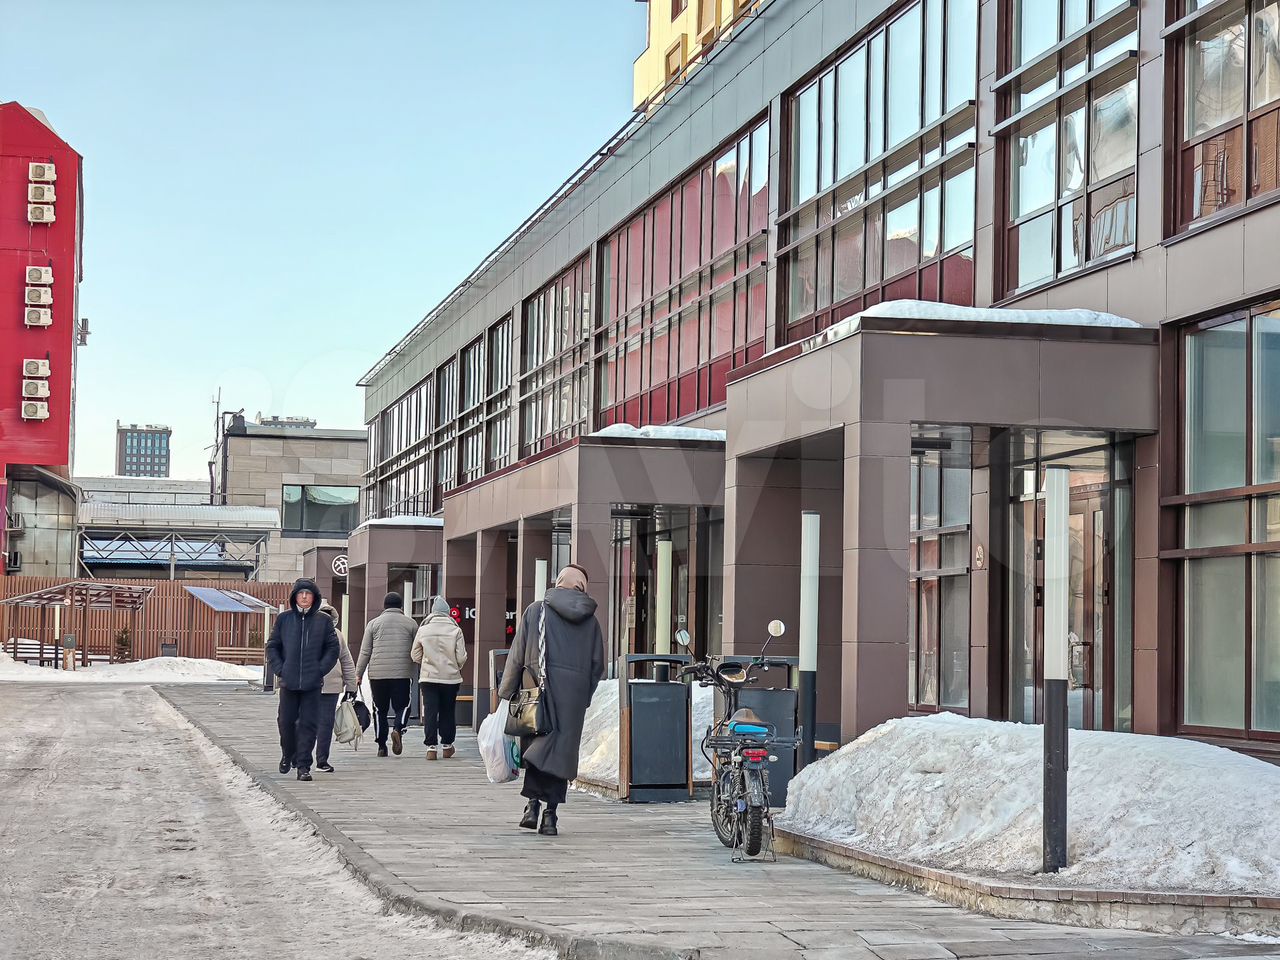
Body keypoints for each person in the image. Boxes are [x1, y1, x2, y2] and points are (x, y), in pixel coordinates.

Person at [497, 563, 604, 837]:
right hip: (572, 701)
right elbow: (597, 666)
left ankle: (532, 806)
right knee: (560, 755)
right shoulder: (591, 622)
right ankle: (550, 816)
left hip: (537, 693)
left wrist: (506, 692)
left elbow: (517, 654)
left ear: (559, 582)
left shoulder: (536, 611)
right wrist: (583, 697)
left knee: (537, 748)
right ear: (582, 587)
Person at [266, 578, 340, 782]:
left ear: (314, 598)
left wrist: (319, 669)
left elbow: (332, 649)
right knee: (286, 722)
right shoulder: (284, 619)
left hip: (312, 684)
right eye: (301, 593)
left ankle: (303, 766)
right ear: (295, 597)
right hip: (289, 682)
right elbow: (272, 646)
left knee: (308, 724)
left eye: (308, 594)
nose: (305, 597)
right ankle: (288, 753)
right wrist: (280, 669)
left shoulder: (323, 621)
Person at [356, 591, 418, 758]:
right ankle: (398, 728)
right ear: (400, 606)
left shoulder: (373, 624)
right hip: (402, 673)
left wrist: (358, 674)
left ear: (384, 606)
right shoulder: (411, 624)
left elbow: (365, 651)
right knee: (403, 706)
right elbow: (417, 649)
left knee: (379, 709)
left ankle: (381, 746)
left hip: (378, 675)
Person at [411, 595, 468, 761]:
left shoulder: (423, 630)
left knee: (430, 711)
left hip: (428, 678)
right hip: (450, 678)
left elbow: (414, 654)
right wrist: (455, 666)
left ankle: (431, 748)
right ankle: (447, 746)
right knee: (447, 710)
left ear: (433, 612)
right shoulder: (456, 630)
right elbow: (461, 657)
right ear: (447, 612)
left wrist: (426, 662)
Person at [314, 601, 357, 773]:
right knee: (323, 724)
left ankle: (310, 758)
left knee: (312, 722)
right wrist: (351, 686)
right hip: (326, 685)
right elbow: (346, 661)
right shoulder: (336, 634)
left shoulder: (332, 634)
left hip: (317, 685)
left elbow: (346, 660)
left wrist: (351, 686)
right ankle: (319, 760)